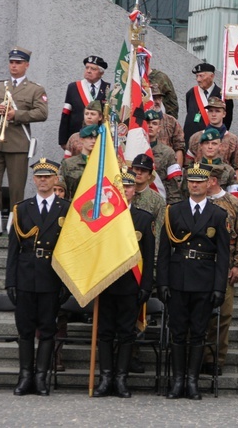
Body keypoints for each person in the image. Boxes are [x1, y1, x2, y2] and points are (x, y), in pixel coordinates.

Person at [157, 163, 230, 401]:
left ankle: (192, 381)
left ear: (209, 183)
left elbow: (223, 255)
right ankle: (178, 381)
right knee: (178, 333)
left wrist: (220, 287)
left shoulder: (218, 214)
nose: (195, 185)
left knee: (198, 333)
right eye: (191, 181)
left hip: (204, 280)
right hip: (178, 280)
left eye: (200, 181)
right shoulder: (173, 212)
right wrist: (163, 282)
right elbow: (165, 250)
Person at [5, 159, 70, 396]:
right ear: (33, 180)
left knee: (47, 328)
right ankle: (25, 377)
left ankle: (41, 377)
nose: (43, 181)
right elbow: (13, 248)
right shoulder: (22, 209)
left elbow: (70, 248)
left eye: (47, 177)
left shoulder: (66, 208)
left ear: (55, 180)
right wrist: (10, 280)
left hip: (51, 276)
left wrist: (66, 282)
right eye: (39, 177)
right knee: (25, 329)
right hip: (25, 274)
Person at [93, 168, 155, 398]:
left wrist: (146, 286)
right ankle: (105, 377)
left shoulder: (143, 218)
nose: (125, 190)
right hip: (106, 284)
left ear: (134, 191)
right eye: (121, 186)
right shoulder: (103, 215)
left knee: (127, 333)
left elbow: (148, 257)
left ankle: (121, 379)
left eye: (128, 186)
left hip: (131, 285)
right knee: (105, 333)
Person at [0, 47, 49, 236]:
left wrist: (17, 114)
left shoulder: (35, 89)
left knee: (16, 185)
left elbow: (42, 113)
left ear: (26, 65)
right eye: (12, 62)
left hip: (18, 142)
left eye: (18, 63)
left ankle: (13, 222)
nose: (14, 66)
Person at [202, 164, 238, 376]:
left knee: (223, 315)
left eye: (203, 179)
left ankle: (216, 359)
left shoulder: (233, 204)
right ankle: (196, 356)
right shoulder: (196, 202)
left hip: (225, 267)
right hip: (199, 266)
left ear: (213, 180)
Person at [185, 97, 238, 184]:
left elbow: (237, 167)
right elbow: (188, 165)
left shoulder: (232, 139)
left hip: (223, 186)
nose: (213, 114)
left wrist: (234, 187)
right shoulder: (196, 137)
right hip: (199, 184)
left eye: (217, 111)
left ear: (224, 114)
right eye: (211, 111)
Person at [58, 55, 109, 148]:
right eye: (87, 68)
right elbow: (66, 114)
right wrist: (63, 140)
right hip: (77, 139)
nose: (88, 71)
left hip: (99, 140)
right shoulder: (73, 87)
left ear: (101, 73)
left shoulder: (108, 89)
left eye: (93, 69)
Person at [183, 62, 235, 141]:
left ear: (212, 76)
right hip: (192, 142)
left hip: (212, 143)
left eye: (201, 76)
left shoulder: (223, 97)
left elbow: (227, 122)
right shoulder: (191, 93)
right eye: (197, 76)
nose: (198, 80)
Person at [144, 109, 182, 204]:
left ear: (159, 128)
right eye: (147, 123)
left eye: (154, 123)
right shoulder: (134, 150)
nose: (150, 126)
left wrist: (172, 207)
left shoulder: (168, 153)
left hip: (160, 200)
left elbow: (174, 184)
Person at [58, 124, 98, 198]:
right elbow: (61, 186)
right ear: (81, 140)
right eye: (90, 138)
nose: (93, 141)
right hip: (73, 204)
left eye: (96, 138)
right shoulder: (69, 163)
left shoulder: (102, 163)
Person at [151, 83, 186, 166]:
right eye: (153, 98)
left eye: (159, 98)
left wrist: (177, 172)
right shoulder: (139, 121)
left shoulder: (171, 121)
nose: (156, 101)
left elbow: (179, 148)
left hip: (168, 168)